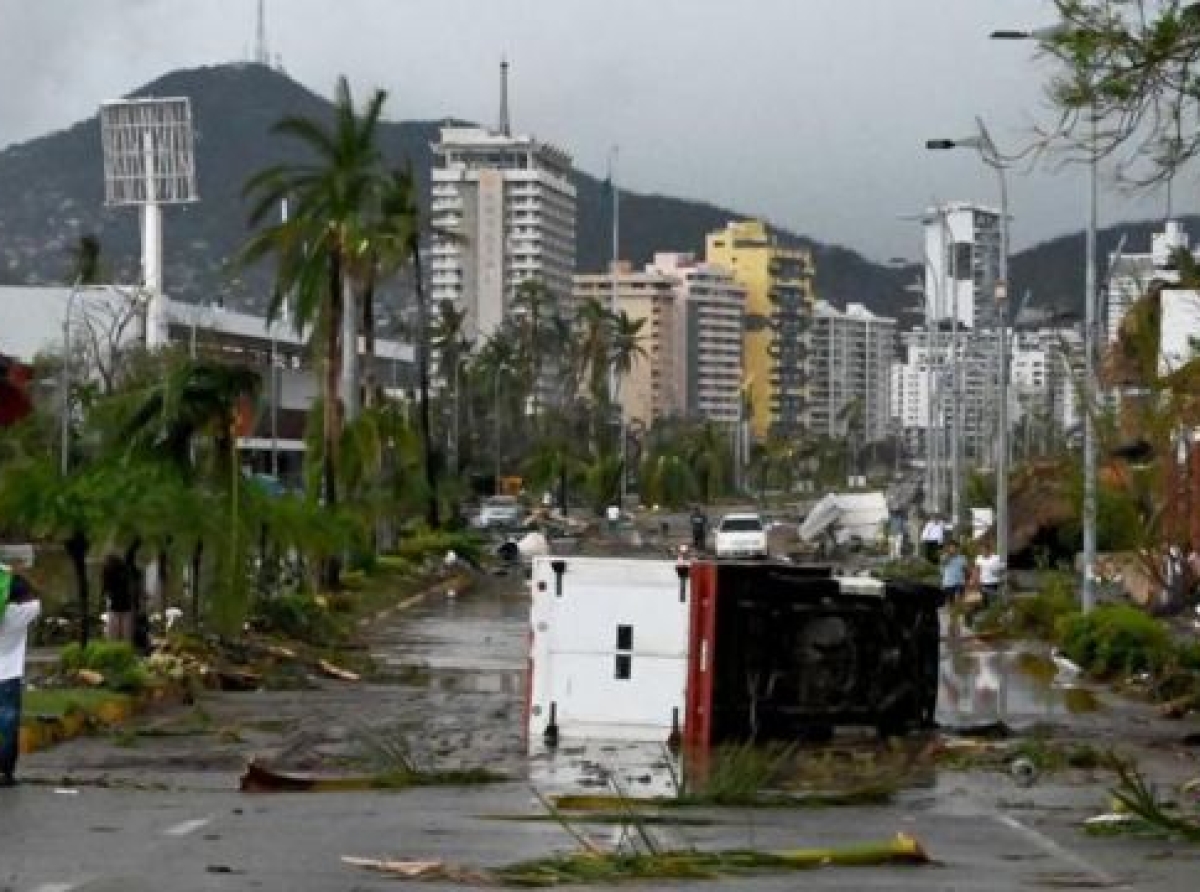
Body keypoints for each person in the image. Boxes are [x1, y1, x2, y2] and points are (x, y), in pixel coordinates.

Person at [1, 568, 41, 786]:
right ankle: (5, 771)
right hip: (8, 674)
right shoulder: (18, 614)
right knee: (8, 722)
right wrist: (12, 575)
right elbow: (36, 599)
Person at [101, 553, 132, 642]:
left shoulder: (113, 573)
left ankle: (117, 650)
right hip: (122, 607)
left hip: (118, 606)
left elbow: (105, 590)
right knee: (124, 636)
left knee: (115, 636)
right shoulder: (123, 572)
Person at [972, 539, 1005, 610]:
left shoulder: (996, 558)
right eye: (981, 549)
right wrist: (975, 581)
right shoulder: (979, 558)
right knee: (985, 603)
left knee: (994, 602)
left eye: (984, 549)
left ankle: (993, 615)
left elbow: (1003, 568)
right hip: (983, 583)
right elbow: (976, 570)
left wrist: (998, 572)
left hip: (994, 583)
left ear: (989, 549)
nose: (983, 551)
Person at [940, 540, 968, 605]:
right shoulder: (944, 557)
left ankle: (959, 613)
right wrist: (949, 555)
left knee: (961, 601)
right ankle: (951, 613)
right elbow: (944, 563)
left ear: (957, 548)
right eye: (951, 547)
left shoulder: (962, 558)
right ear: (948, 548)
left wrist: (967, 580)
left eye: (954, 547)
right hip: (949, 583)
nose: (953, 549)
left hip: (960, 582)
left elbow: (965, 570)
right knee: (950, 602)